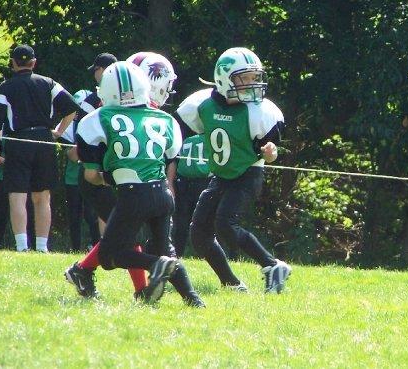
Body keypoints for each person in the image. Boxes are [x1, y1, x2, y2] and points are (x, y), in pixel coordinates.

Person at [69, 60, 203, 306]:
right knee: (166, 249)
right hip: (162, 193)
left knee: (111, 255)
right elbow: (167, 157)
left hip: (132, 194)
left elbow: (91, 176)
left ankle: (154, 266)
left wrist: (111, 177)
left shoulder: (96, 119)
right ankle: (193, 300)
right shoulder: (166, 119)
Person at [175, 47, 291, 293]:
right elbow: (186, 131)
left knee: (226, 225)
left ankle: (272, 266)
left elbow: (269, 152)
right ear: (224, 78)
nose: (251, 84)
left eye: (254, 77)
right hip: (220, 175)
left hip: (248, 173)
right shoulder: (201, 104)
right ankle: (231, 283)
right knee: (199, 234)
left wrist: (271, 152)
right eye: (244, 78)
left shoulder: (259, 111)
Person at [65, 52, 147, 298]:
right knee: (127, 232)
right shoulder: (95, 105)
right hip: (99, 177)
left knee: (121, 232)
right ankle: (142, 290)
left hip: (119, 177)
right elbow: (82, 153)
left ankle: (82, 270)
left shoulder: (137, 105)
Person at [0, 44, 78, 252]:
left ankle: (22, 246)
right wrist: (58, 131)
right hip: (44, 140)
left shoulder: (6, 87)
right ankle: (42, 247)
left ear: (13, 63)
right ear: (34, 62)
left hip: (18, 141)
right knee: (42, 195)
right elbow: (72, 108)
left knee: (17, 195)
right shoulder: (49, 83)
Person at [60, 89, 101, 251]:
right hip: (72, 178)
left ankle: (96, 247)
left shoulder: (97, 123)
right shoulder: (68, 125)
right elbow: (72, 155)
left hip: (92, 176)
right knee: (74, 215)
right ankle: (75, 248)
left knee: (93, 215)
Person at [168, 133, 211, 257]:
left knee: (182, 222)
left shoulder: (186, 139)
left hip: (184, 183)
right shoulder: (211, 139)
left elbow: (174, 161)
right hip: (202, 183)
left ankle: (177, 253)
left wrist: (170, 183)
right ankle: (207, 253)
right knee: (204, 221)